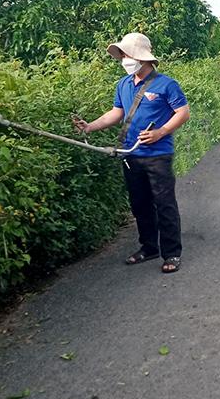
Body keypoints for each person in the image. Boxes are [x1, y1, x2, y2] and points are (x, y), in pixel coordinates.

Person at [74, 32, 191, 273]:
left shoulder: (166, 84)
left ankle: (172, 253)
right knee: (140, 204)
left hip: (158, 155)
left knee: (164, 203)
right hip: (131, 154)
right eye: (123, 55)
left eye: (127, 54)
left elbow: (183, 112)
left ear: (142, 57)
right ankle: (149, 248)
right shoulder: (123, 84)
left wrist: (161, 132)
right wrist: (90, 126)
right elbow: (116, 113)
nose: (124, 59)